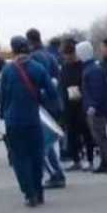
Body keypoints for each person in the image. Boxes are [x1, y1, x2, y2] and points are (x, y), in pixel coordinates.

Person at [0, 36, 61, 206]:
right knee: (36, 156)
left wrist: (2, 115)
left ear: (13, 50)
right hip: (33, 120)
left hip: (13, 122)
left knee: (20, 158)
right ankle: (39, 190)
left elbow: (2, 97)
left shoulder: (7, 71)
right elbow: (52, 93)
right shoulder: (38, 69)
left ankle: (29, 193)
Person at [26, 28, 66, 188]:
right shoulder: (50, 55)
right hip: (54, 102)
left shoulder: (34, 58)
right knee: (48, 142)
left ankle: (55, 173)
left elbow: (37, 81)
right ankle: (56, 172)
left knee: (42, 144)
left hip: (43, 104)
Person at [80, 41, 107, 174]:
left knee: (100, 136)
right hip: (96, 107)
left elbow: (96, 90)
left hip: (96, 109)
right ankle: (105, 161)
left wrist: (93, 105)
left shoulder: (91, 70)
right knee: (98, 136)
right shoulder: (93, 67)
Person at [60, 38, 94, 171]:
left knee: (86, 132)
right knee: (72, 133)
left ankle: (90, 158)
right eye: (66, 55)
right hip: (68, 104)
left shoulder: (82, 66)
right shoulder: (64, 66)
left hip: (81, 103)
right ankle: (75, 159)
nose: (68, 58)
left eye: (70, 55)